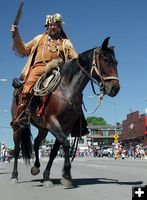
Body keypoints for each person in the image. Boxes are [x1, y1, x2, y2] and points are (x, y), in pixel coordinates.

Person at [11, 13, 89, 136]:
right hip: (38, 69)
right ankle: (21, 117)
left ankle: (80, 124)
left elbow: (74, 58)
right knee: (26, 89)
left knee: (74, 93)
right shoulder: (39, 39)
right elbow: (23, 49)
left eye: (55, 25)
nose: (53, 27)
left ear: (60, 27)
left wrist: (84, 61)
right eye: (50, 25)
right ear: (47, 26)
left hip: (58, 70)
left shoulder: (65, 43)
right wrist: (16, 35)